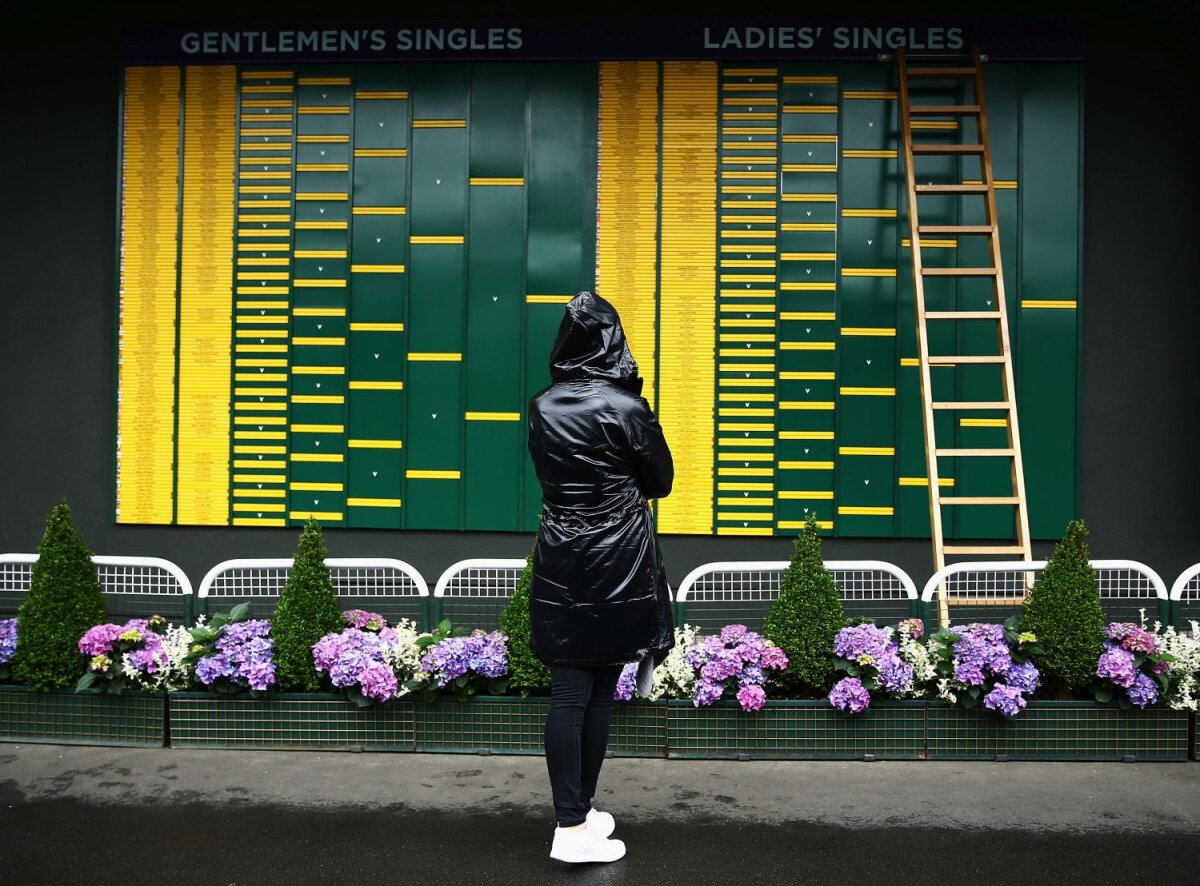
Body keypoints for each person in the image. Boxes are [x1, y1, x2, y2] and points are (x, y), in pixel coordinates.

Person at [526, 290, 675, 865]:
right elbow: (659, 481)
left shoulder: (541, 406)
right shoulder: (627, 408)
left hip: (563, 554)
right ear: (613, 343)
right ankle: (570, 825)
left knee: (570, 691)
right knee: (599, 694)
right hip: (621, 560)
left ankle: (579, 816)